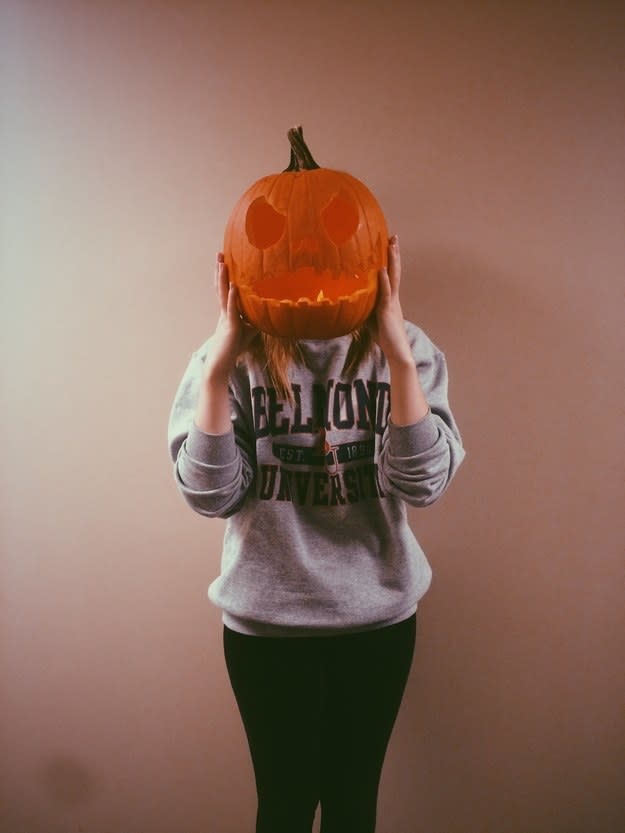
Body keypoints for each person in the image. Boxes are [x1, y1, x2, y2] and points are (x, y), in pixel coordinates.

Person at [167, 235, 465, 833]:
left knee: (354, 807)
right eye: (287, 253)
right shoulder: (227, 360)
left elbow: (423, 483)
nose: (308, 269)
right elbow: (209, 494)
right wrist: (220, 368)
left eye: (327, 251)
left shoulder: (409, 351)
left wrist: (399, 357)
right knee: (283, 807)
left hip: (377, 623)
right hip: (266, 626)